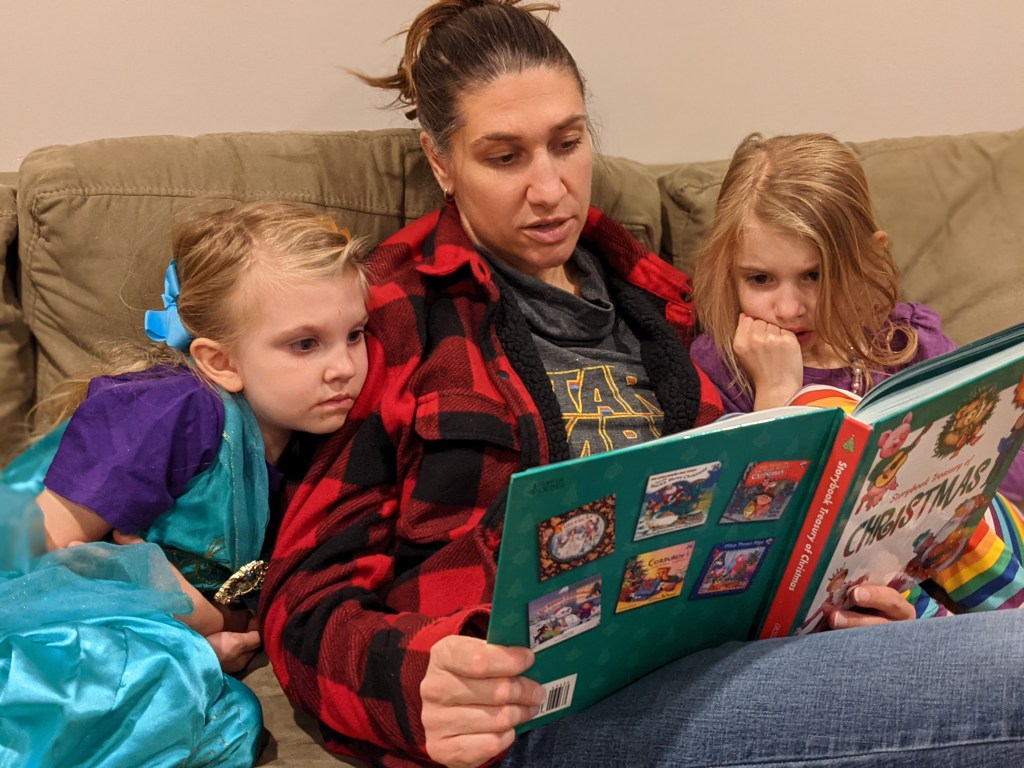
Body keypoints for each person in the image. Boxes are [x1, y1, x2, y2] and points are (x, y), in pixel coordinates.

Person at [260, 4, 1024, 768]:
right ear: (440, 161)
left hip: (726, 658)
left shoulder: (660, 300)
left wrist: (843, 607)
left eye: (568, 143)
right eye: (505, 157)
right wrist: (421, 681)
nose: (550, 188)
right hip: (543, 706)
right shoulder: (389, 315)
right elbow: (302, 603)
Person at [0, 201, 369, 767]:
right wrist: (204, 623)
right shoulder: (172, 412)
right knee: (169, 678)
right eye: (305, 344)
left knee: (217, 702)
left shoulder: (315, 433)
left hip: (143, 608)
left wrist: (216, 625)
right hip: (34, 592)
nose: (344, 366)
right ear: (221, 362)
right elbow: (42, 554)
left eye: (355, 334)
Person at [691, 132, 1024, 618]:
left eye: (815, 275)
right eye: (760, 279)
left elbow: (1005, 474)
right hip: (851, 598)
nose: (788, 308)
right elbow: (743, 542)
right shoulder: (720, 367)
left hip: (968, 562)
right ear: (728, 271)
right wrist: (776, 398)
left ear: (867, 257)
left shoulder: (907, 341)